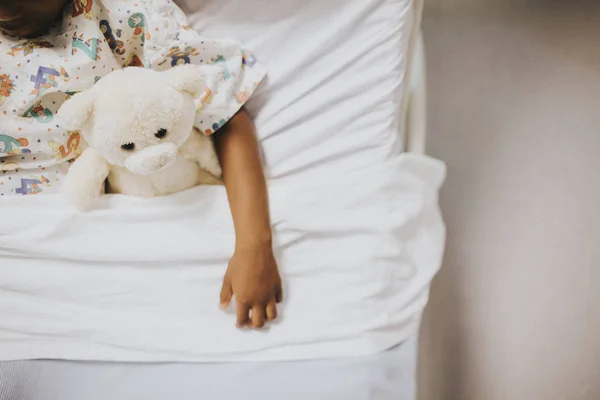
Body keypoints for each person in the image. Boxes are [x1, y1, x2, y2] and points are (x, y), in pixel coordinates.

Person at [0, 0, 282, 329]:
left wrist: (253, 244)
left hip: (140, 225)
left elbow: (223, 111)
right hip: (27, 252)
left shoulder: (126, 14)